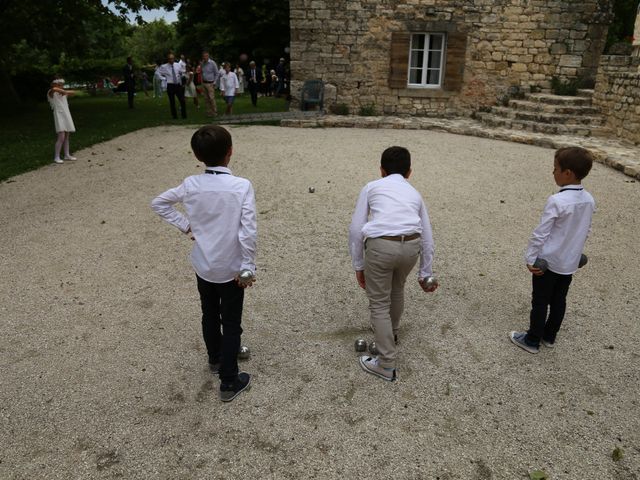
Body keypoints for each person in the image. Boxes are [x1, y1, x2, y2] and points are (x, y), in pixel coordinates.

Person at [151, 125, 257, 403]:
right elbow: (248, 231)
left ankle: (215, 357)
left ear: (197, 155)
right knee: (231, 322)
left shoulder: (191, 184)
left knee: (209, 314)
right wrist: (248, 266)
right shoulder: (241, 186)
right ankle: (229, 380)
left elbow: (160, 203)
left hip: (204, 264)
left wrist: (186, 226)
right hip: (232, 267)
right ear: (230, 152)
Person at [349, 146, 437, 382]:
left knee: (378, 303)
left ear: (381, 170)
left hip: (381, 248)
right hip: (411, 247)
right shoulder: (415, 193)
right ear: (409, 172)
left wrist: (358, 265)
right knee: (397, 289)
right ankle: (392, 334)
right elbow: (427, 234)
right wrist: (425, 272)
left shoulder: (371, 187)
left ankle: (386, 363)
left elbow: (356, 230)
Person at [510, 147, 595, 354]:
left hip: (549, 262)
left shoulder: (557, 201)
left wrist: (530, 258)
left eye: (555, 168)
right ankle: (549, 335)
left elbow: (541, 233)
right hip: (568, 264)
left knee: (540, 301)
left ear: (567, 173)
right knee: (559, 300)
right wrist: (576, 254)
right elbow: (586, 229)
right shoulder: (589, 199)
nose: (553, 172)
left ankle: (532, 340)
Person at [47, 78, 77, 164]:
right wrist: (63, 91)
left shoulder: (63, 92)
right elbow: (54, 89)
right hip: (59, 115)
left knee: (67, 135)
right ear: (54, 84)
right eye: (59, 84)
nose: (61, 86)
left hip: (66, 114)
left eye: (61, 84)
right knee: (61, 136)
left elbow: (73, 92)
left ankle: (67, 155)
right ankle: (56, 156)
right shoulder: (51, 92)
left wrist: (64, 92)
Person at [159, 53, 187, 119]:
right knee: (172, 101)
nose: (171, 60)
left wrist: (182, 75)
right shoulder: (164, 66)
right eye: (170, 59)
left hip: (177, 85)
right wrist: (164, 79)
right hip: (170, 85)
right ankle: (174, 116)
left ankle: (184, 115)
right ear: (168, 59)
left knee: (182, 100)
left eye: (172, 58)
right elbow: (158, 73)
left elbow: (182, 72)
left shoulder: (177, 65)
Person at [200, 50, 219, 117]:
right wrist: (202, 83)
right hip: (204, 83)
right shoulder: (202, 63)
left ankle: (214, 112)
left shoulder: (212, 63)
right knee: (206, 99)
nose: (205, 57)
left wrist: (214, 82)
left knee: (211, 98)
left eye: (206, 56)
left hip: (210, 83)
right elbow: (202, 73)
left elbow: (217, 73)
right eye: (204, 56)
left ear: (208, 56)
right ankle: (209, 112)